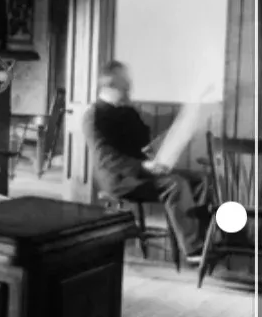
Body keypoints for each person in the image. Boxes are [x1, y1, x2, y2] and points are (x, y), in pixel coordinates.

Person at [83, 60, 210, 264]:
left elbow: (143, 143)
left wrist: (160, 151)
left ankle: (204, 239)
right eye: (125, 84)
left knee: (201, 180)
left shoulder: (127, 111)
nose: (130, 88)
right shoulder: (94, 116)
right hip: (119, 179)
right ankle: (194, 249)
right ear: (110, 86)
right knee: (174, 184)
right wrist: (142, 165)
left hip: (143, 171)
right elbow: (106, 158)